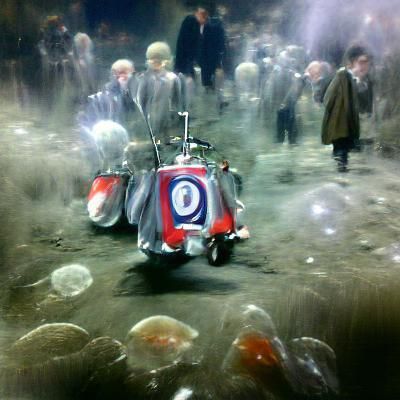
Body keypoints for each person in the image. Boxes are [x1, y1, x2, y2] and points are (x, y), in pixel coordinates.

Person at [321, 45, 371, 172]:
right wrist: (335, 116)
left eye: (366, 62)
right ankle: (340, 179)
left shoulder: (359, 81)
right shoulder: (341, 76)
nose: (364, 66)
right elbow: (327, 99)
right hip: (339, 127)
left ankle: (341, 176)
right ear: (352, 63)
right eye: (361, 62)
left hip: (349, 127)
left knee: (343, 157)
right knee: (341, 157)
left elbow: (363, 106)